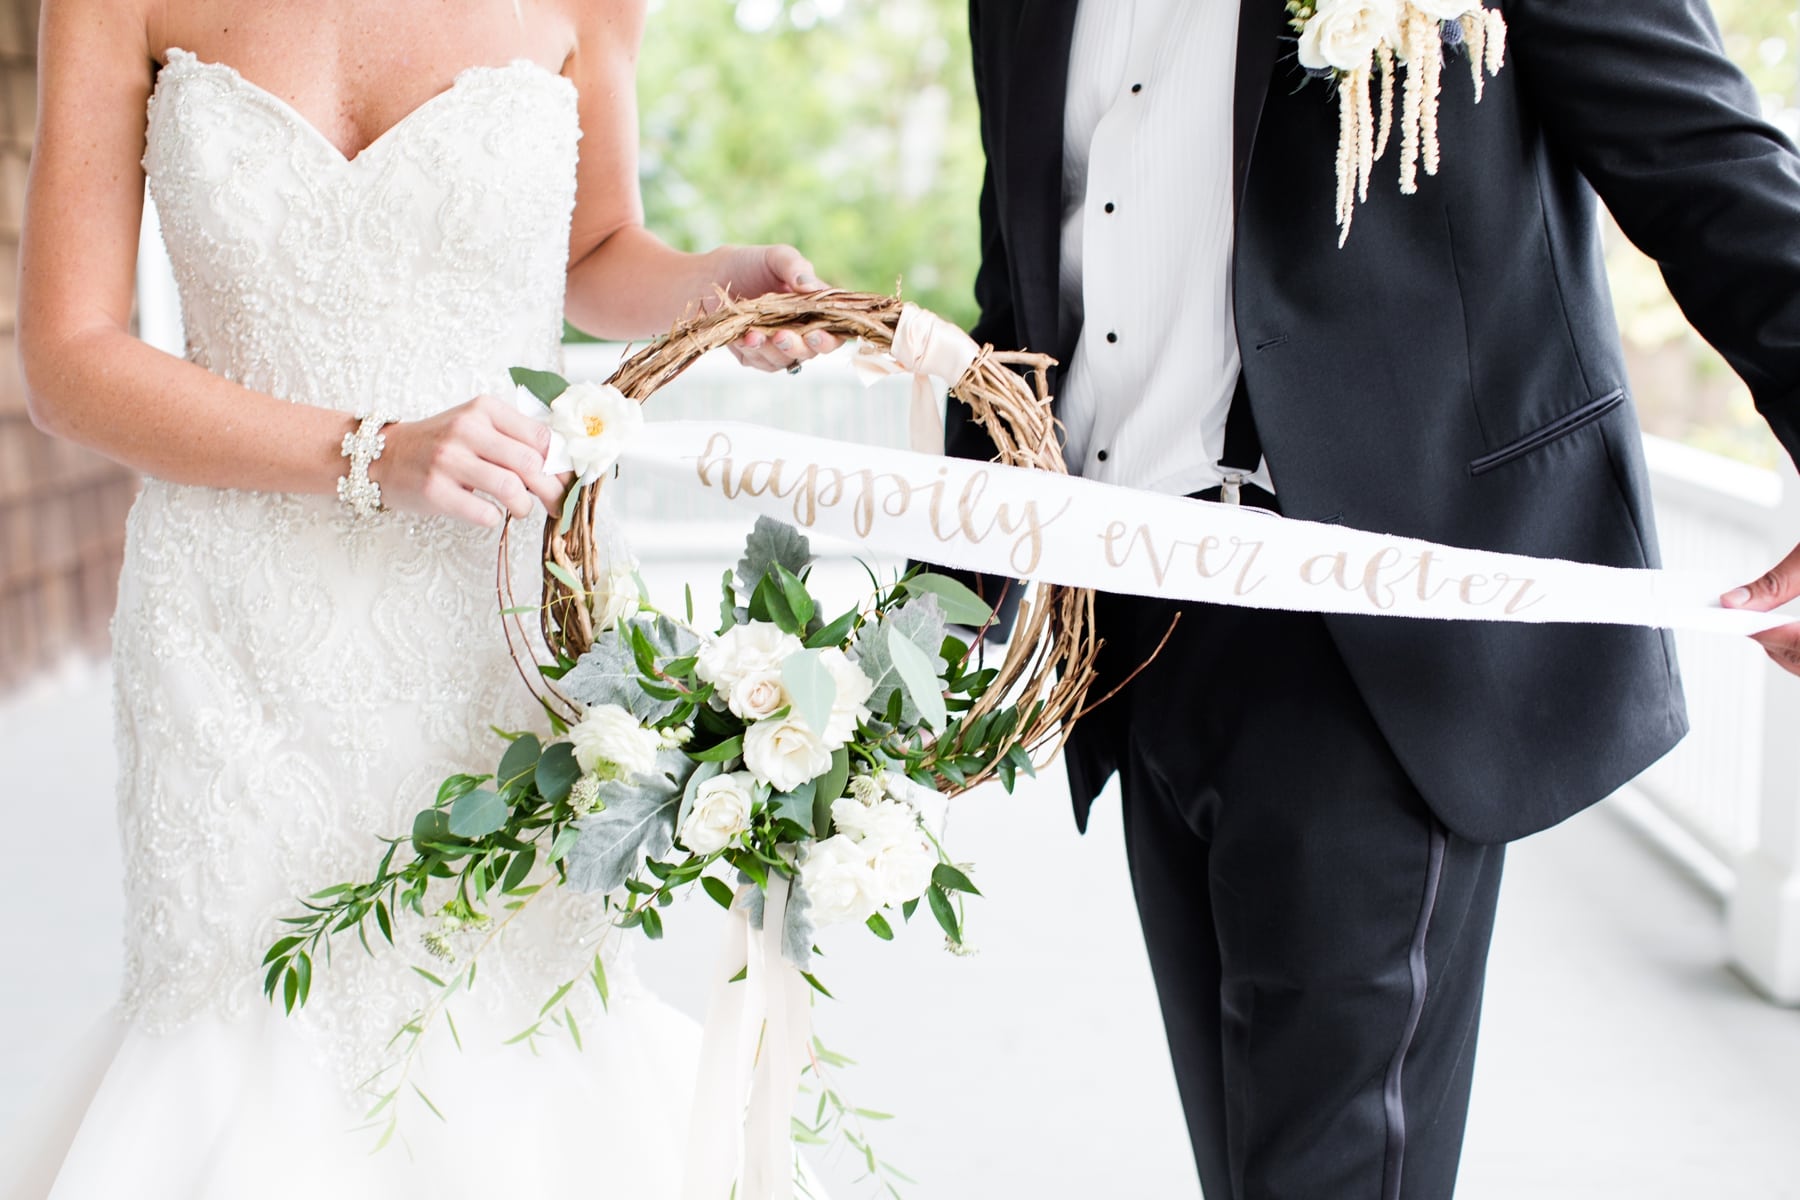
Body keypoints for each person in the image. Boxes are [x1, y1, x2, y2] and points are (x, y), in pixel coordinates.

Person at [955, 0, 1800, 1196]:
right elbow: (1026, 284)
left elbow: (1705, 158)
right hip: (1130, 629)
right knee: (1251, 1160)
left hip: (1370, 618)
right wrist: (936, 617)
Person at [9, 1, 838, 1194]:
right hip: (230, 625)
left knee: (508, 1015)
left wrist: (719, 286)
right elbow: (68, 356)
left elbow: (595, 251)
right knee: (239, 1020)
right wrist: (366, 451)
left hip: (491, 603)